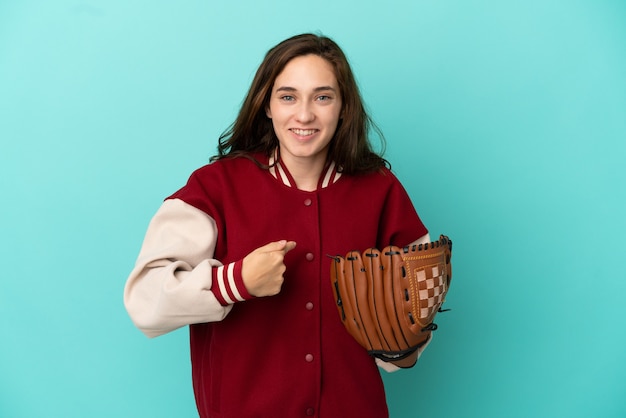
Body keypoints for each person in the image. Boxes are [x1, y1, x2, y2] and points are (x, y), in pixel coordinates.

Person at [124, 33, 432, 418]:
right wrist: (235, 282)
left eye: (323, 97)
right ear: (267, 105)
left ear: (344, 107)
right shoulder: (215, 186)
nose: (304, 115)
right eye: (288, 96)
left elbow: (413, 316)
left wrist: (401, 345)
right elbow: (144, 301)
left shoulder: (381, 190)